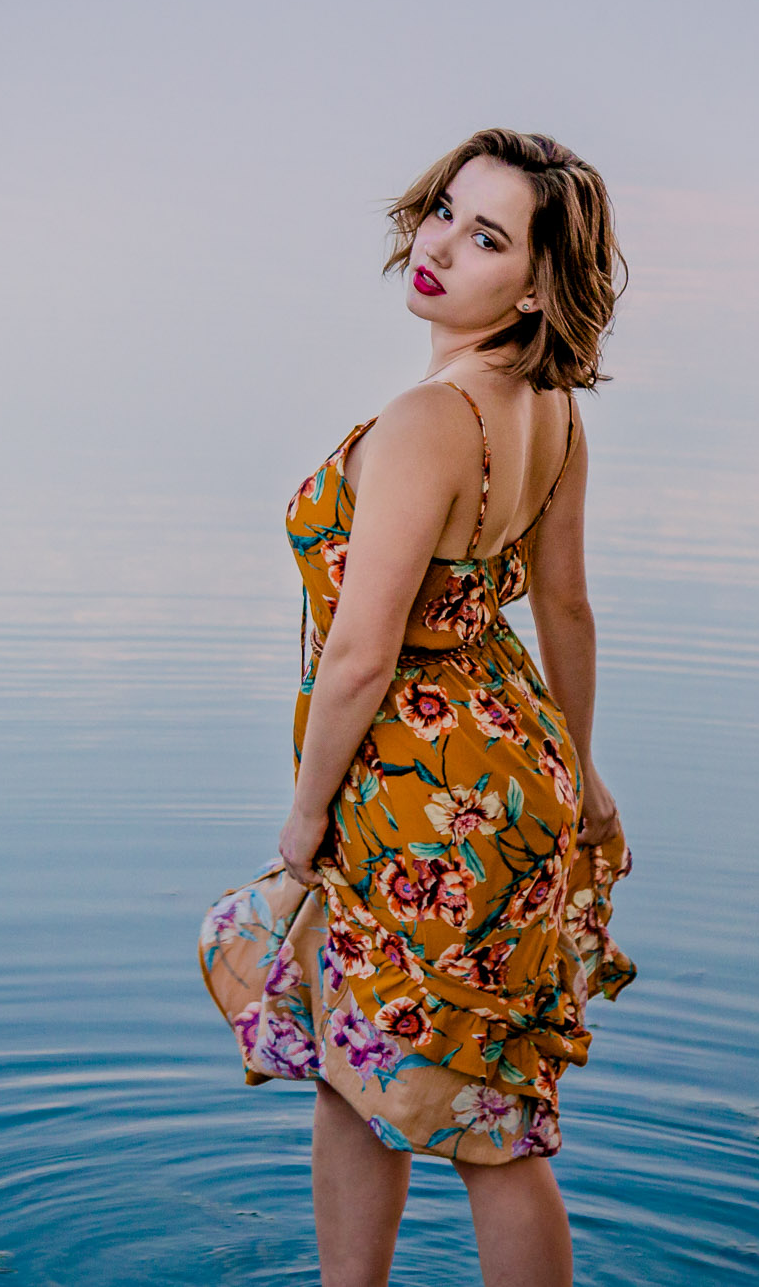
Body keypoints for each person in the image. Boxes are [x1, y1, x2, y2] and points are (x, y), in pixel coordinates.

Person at [199, 128, 637, 1287]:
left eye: (486, 236)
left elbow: (357, 654)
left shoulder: (427, 419)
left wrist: (301, 826)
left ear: (536, 284)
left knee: (485, 1133)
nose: (438, 244)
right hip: (514, 772)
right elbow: (569, 614)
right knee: (374, 1076)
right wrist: (579, 783)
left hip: (411, 794)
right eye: (445, 210)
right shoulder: (548, 413)